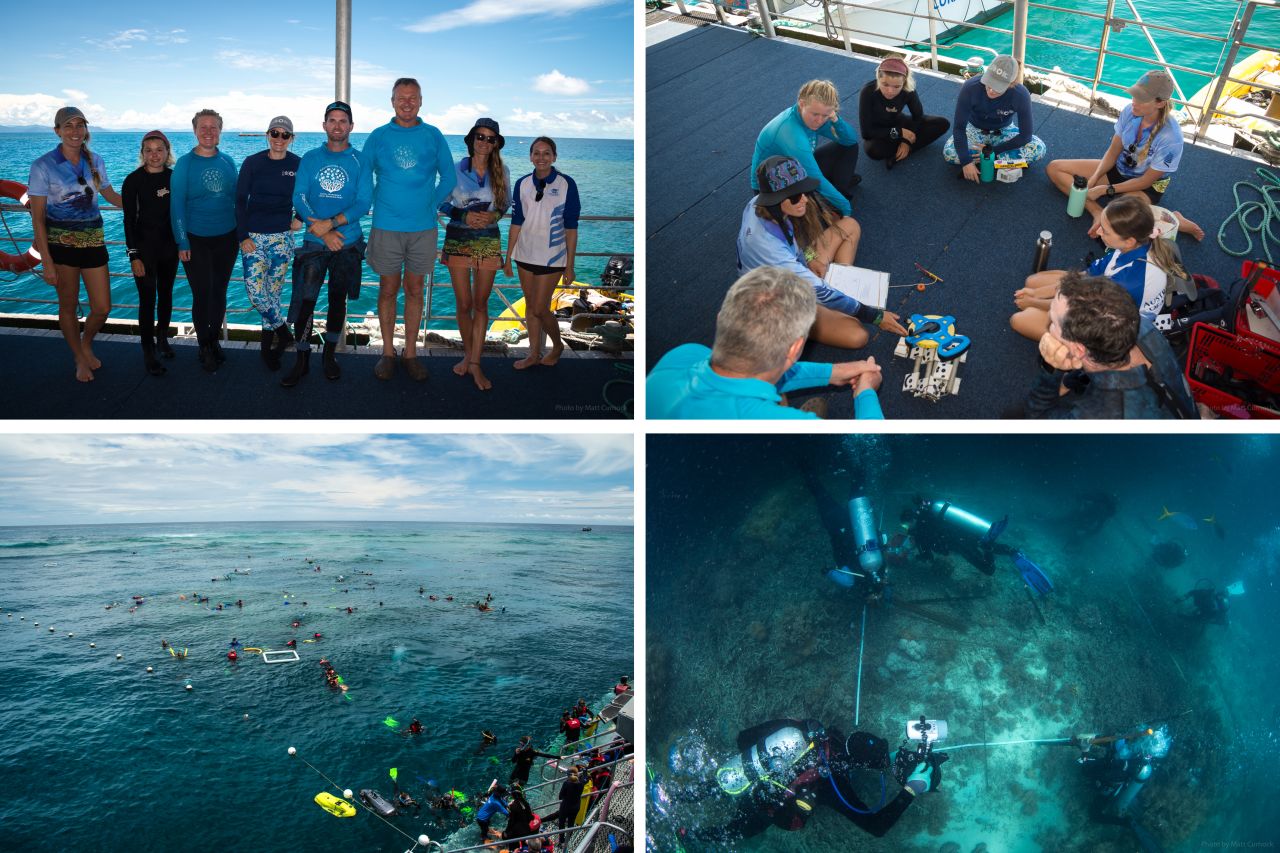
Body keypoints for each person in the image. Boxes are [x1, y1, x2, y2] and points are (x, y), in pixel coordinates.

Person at [647, 266, 884, 419]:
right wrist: (866, 393)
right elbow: (872, 440)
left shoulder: (683, 355)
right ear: (795, 348)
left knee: (776, 396)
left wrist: (834, 372)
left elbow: (749, 371)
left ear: (721, 319)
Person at [680, 719, 943, 844]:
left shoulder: (805, 732)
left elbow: (743, 738)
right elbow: (877, 827)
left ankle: (678, 796)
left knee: (714, 788)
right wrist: (911, 788)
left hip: (746, 772)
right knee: (741, 829)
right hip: (763, 807)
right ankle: (688, 837)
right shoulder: (832, 783)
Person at [738, 157, 907, 349]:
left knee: (849, 226)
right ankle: (802, 322)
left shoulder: (758, 204)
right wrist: (875, 317)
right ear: (776, 200)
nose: (804, 199)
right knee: (857, 335)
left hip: (794, 269)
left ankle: (843, 282)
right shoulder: (770, 250)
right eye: (795, 196)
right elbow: (817, 289)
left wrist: (810, 258)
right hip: (778, 299)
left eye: (804, 192)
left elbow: (792, 241)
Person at [361, 77, 457, 382]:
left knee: (415, 290)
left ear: (420, 101)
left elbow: (450, 178)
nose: (406, 103)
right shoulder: (377, 137)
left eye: (412, 97)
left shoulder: (433, 135)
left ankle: (411, 354)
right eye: (401, 98)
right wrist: (362, 207)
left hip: (423, 228)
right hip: (386, 226)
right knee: (388, 290)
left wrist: (432, 205)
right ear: (391, 101)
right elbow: (365, 178)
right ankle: (388, 353)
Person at [1046, 70, 1203, 240]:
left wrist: (1104, 190)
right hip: (1119, 170)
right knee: (1054, 168)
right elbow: (1113, 151)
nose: (1134, 101)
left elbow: (1146, 180)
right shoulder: (1130, 111)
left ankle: (1173, 220)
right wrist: (1094, 178)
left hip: (1145, 186)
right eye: (1135, 95)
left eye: (1141, 98)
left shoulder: (1171, 137)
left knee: (1120, 221)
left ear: (1160, 103)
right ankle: (1097, 211)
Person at [1011, 194, 1192, 341]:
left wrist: (1034, 302)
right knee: (1032, 282)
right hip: (1105, 296)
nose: (1098, 232)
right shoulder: (1131, 245)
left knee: (1020, 319)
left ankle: (1081, 354)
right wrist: (1036, 294)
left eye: (1104, 231)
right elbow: (1085, 276)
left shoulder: (1131, 281)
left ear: (1129, 240)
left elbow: (1079, 306)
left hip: (1115, 326)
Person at [27, 106, 123, 382]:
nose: (75, 131)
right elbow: (37, 219)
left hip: (94, 241)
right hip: (61, 246)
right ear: (57, 131)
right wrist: (46, 261)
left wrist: (148, 203)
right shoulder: (42, 166)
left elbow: (111, 196)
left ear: (86, 130)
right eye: (68, 126)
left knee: (103, 307)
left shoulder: (95, 160)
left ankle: (85, 343)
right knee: (67, 306)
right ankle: (79, 357)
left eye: (80, 125)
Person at [1023, 271, 1198, 419]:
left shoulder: (1098, 415)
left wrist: (1052, 367)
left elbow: (1037, 418)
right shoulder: (1143, 326)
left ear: (1078, 349)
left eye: (1053, 322)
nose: (1048, 326)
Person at [286, 100, 371, 386]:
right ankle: (302, 357)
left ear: (351, 127)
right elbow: (299, 197)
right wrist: (321, 230)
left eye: (342, 121)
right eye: (332, 120)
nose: (337, 125)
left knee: (338, 299)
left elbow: (363, 203)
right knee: (306, 300)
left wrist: (332, 224)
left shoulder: (360, 161)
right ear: (324, 125)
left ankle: (329, 354)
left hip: (347, 243)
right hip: (314, 241)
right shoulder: (310, 158)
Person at [440, 117, 510, 390]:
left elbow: (506, 203)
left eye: (490, 138)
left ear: (496, 145)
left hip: (488, 241)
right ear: (471, 140)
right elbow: (441, 202)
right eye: (480, 136)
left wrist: (493, 214)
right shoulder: (454, 170)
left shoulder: (502, 170)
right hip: (458, 240)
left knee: (481, 305)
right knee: (464, 304)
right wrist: (463, 215)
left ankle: (475, 363)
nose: (484, 142)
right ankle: (469, 357)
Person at [172, 109, 239, 372]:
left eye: (214, 127)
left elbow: (236, 199)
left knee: (219, 292)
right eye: (203, 127)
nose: (209, 132)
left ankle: (213, 342)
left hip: (227, 237)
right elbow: (176, 204)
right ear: (195, 130)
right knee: (202, 294)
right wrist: (182, 241)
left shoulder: (228, 161)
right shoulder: (185, 164)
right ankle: (204, 346)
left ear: (220, 131)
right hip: (196, 239)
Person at [503, 137, 579, 369]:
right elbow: (517, 222)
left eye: (547, 153)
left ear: (554, 157)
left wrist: (570, 265)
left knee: (539, 308)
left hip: (552, 256)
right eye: (537, 153)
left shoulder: (567, 184)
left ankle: (557, 346)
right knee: (530, 305)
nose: (541, 157)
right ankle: (533, 354)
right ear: (530, 156)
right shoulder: (522, 184)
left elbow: (571, 227)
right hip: (524, 254)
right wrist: (508, 257)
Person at [235, 116, 301, 372]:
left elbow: (307, 195)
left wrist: (300, 217)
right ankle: (284, 333)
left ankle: (267, 350)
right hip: (254, 238)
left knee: (272, 294)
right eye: (275, 133)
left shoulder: (298, 164)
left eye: (285, 135)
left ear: (291, 139)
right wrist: (242, 236)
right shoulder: (253, 163)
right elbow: (240, 201)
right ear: (267, 135)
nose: (279, 139)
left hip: (282, 239)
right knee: (255, 291)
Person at [751, 80, 861, 216]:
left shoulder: (814, 115)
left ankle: (837, 191)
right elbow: (815, 176)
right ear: (801, 104)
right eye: (815, 114)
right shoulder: (791, 135)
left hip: (796, 167)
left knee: (848, 147)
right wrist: (846, 209)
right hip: (774, 188)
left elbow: (850, 140)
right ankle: (833, 198)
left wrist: (835, 119)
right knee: (828, 201)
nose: (819, 121)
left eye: (825, 115)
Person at [121, 129, 179, 376]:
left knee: (165, 296)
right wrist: (133, 256)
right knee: (147, 301)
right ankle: (148, 351)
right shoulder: (133, 181)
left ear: (167, 152)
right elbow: (128, 221)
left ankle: (162, 339)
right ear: (142, 153)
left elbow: (180, 215)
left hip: (170, 249)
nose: (154, 155)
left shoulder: (175, 178)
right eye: (149, 150)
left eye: (159, 150)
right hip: (144, 251)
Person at [944, 55, 1046, 181]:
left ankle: (985, 160)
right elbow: (959, 128)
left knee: (1039, 148)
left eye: (998, 87)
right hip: (974, 129)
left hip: (1004, 131)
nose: (991, 90)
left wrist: (994, 151)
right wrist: (966, 162)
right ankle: (998, 163)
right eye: (989, 82)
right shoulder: (970, 87)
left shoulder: (1021, 94)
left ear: (1011, 83)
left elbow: (1026, 136)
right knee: (949, 153)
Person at [858, 57, 950, 169]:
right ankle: (900, 151)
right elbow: (866, 133)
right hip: (879, 131)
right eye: (885, 84)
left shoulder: (908, 89)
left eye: (897, 86)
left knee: (943, 123)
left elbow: (918, 116)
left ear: (904, 83)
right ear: (878, 79)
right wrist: (900, 133)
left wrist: (906, 142)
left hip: (899, 122)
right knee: (873, 151)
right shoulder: (868, 91)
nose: (890, 91)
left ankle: (902, 151)